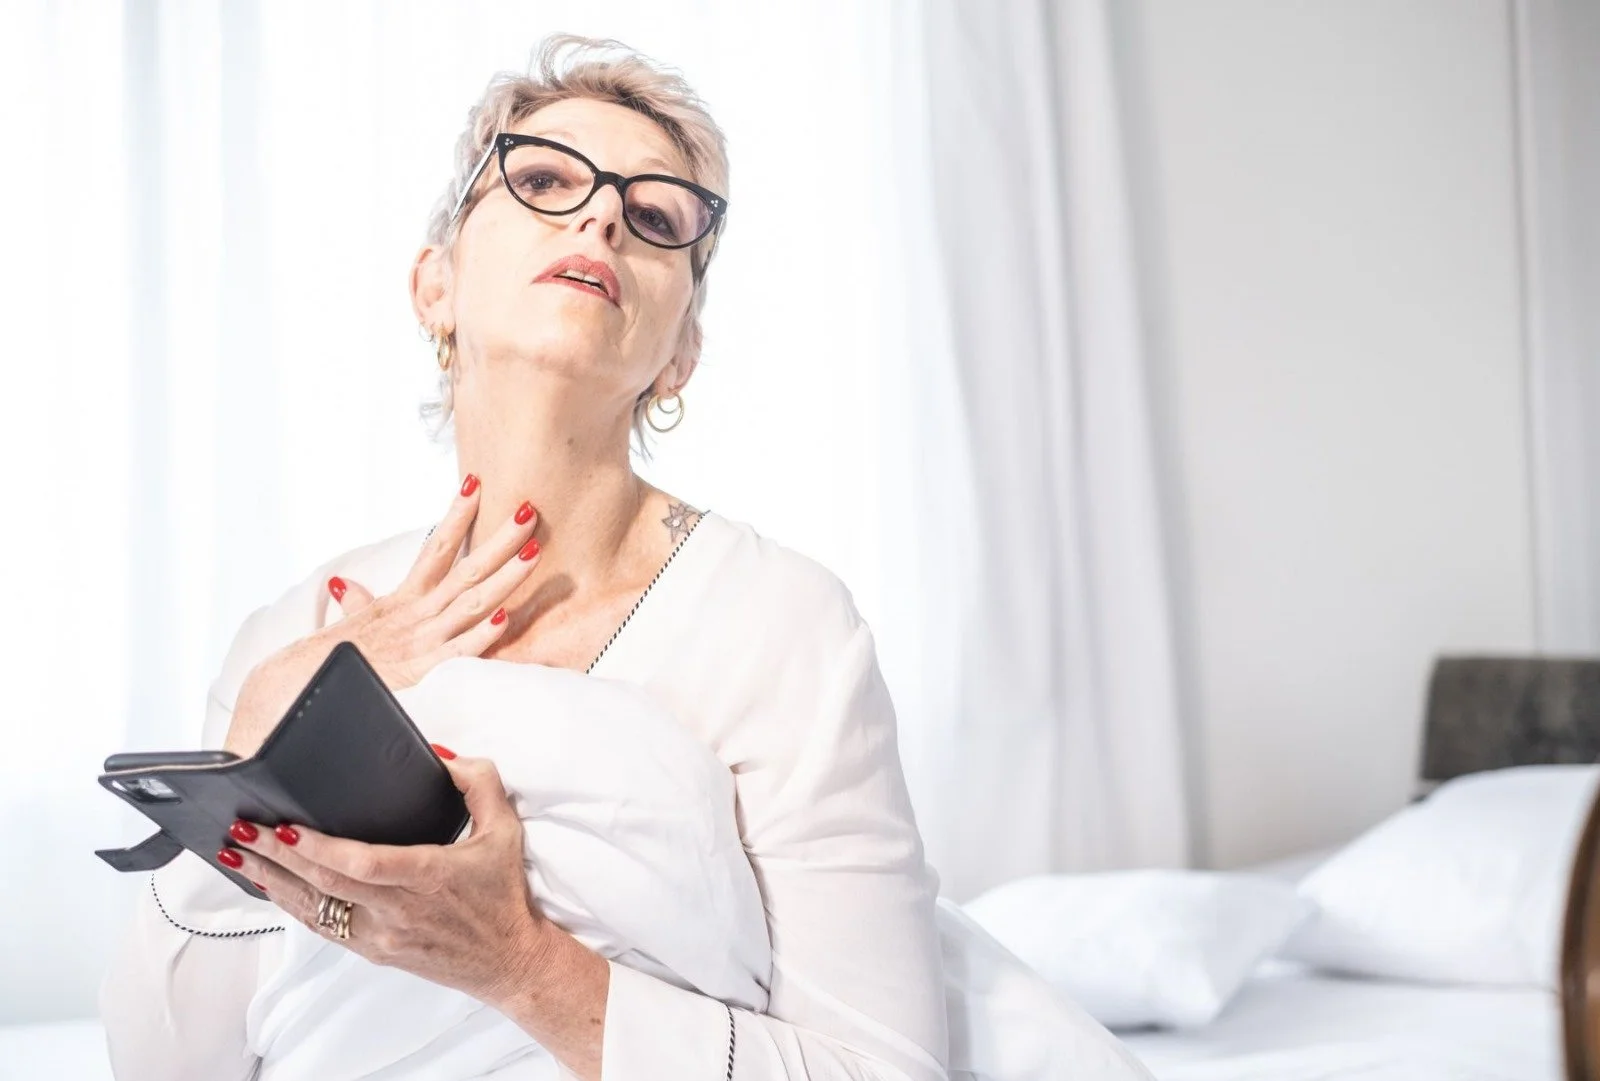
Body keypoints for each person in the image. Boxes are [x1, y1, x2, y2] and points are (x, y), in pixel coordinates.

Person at [97, 32, 951, 1081]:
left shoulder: (786, 629)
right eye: (543, 177)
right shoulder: (299, 629)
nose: (598, 215)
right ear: (434, 287)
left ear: (681, 352)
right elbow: (162, 1060)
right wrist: (245, 754)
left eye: (655, 217)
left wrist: (520, 965)